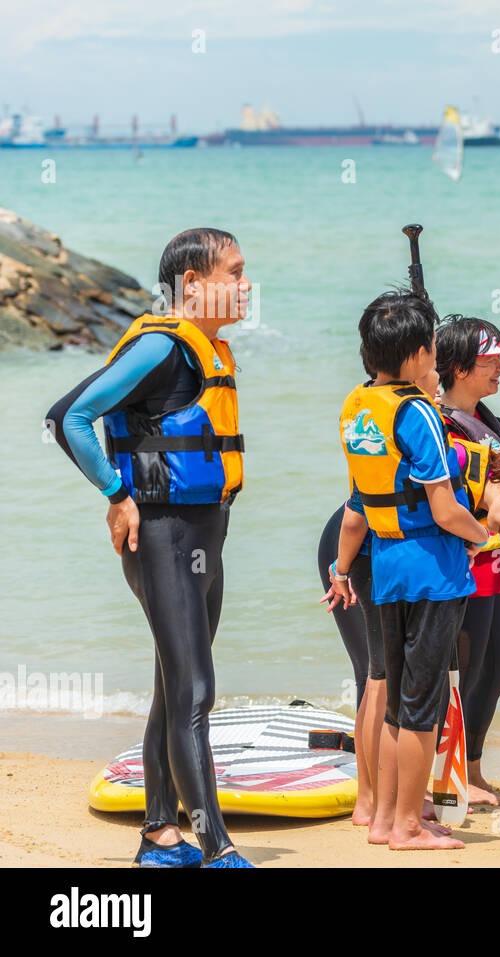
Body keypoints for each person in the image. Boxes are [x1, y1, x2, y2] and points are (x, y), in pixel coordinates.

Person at [46, 228, 253, 867]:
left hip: (202, 533)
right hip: (161, 534)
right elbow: (69, 417)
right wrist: (116, 492)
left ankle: (161, 835)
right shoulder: (161, 348)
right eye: (235, 273)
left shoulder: (204, 352)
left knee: (175, 686)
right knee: (194, 690)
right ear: (192, 285)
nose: (247, 286)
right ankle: (216, 848)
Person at [325, 290, 487, 850]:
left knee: (395, 702)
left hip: (384, 567)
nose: (437, 358)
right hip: (431, 572)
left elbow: (356, 509)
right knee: (422, 706)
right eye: (435, 348)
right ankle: (408, 828)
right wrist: (486, 535)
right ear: (419, 353)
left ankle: (384, 819)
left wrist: (341, 570)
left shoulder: (356, 406)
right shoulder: (418, 412)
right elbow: (445, 509)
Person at [434, 314, 500, 805]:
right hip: (460, 568)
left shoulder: (490, 420)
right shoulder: (438, 422)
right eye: (491, 360)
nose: (499, 369)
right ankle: (446, 775)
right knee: (462, 673)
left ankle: (470, 767)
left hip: (495, 566)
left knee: (499, 669)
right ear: (459, 367)